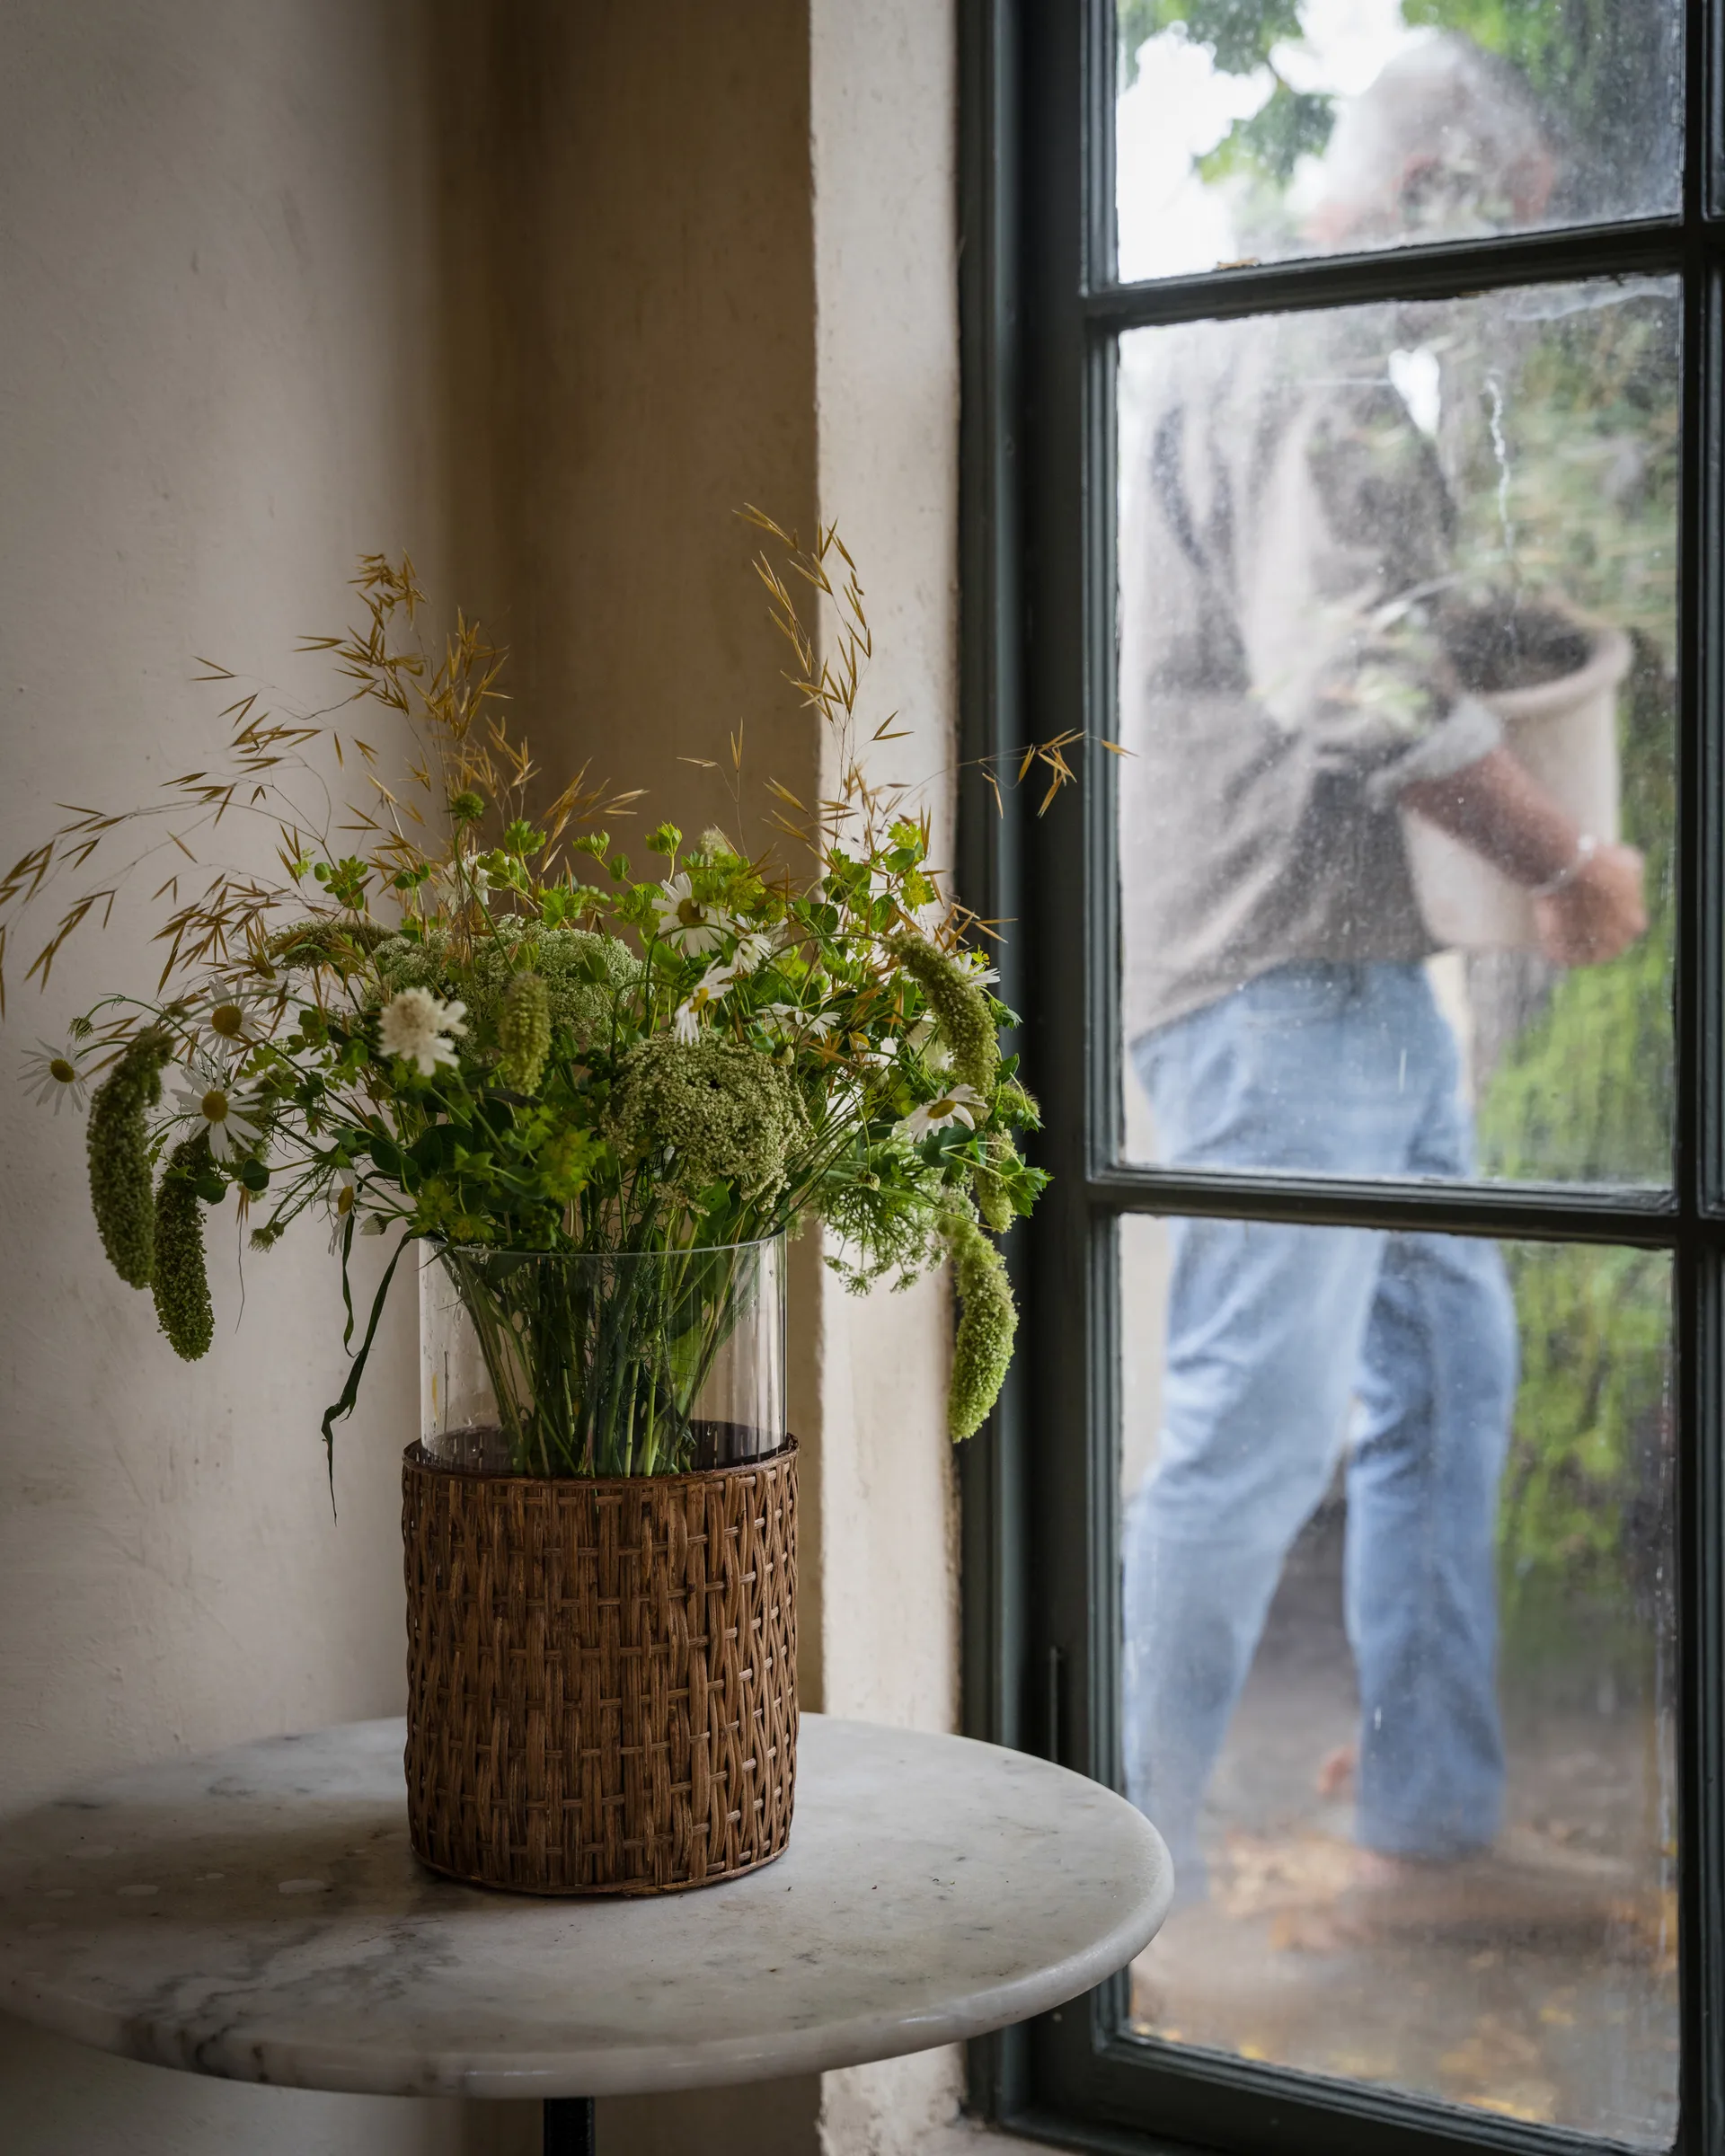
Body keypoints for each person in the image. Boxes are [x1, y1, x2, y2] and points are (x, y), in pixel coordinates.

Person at [1117, 36, 1648, 1907]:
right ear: (1430, 182)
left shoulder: (1311, 353)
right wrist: (1570, 860)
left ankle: (1426, 1801)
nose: (1507, 277)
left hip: (1356, 980)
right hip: (1273, 981)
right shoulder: (1301, 338)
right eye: (1507, 230)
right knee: (1250, 1442)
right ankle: (1123, 1896)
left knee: (1450, 1362)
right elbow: (1349, 675)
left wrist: (1579, 629)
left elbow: (1399, 622)